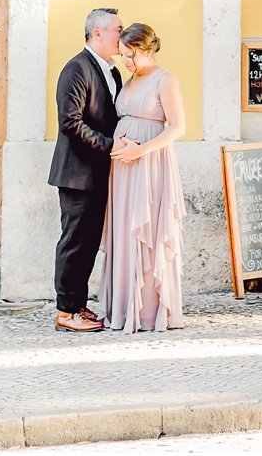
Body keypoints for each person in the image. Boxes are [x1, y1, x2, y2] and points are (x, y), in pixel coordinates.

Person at [101, 23, 186, 333]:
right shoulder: (132, 77)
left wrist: (140, 151)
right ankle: (122, 308)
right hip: (124, 168)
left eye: (130, 55)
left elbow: (177, 128)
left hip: (150, 164)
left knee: (146, 233)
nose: (125, 61)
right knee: (125, 230)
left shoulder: (166, 80)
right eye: (122, 55)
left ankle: (148, 311)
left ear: (148, 50)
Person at [47, 7, 124, 333]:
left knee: (90, 242)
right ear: (98, 33)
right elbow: (70, 122)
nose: (123, 34)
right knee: (75, 242)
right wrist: (110, 145)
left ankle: (78, 304)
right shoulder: (76, 69)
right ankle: (65, 311)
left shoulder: (113, 72)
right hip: (77, 175)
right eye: (118, 29)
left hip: (98, 174)